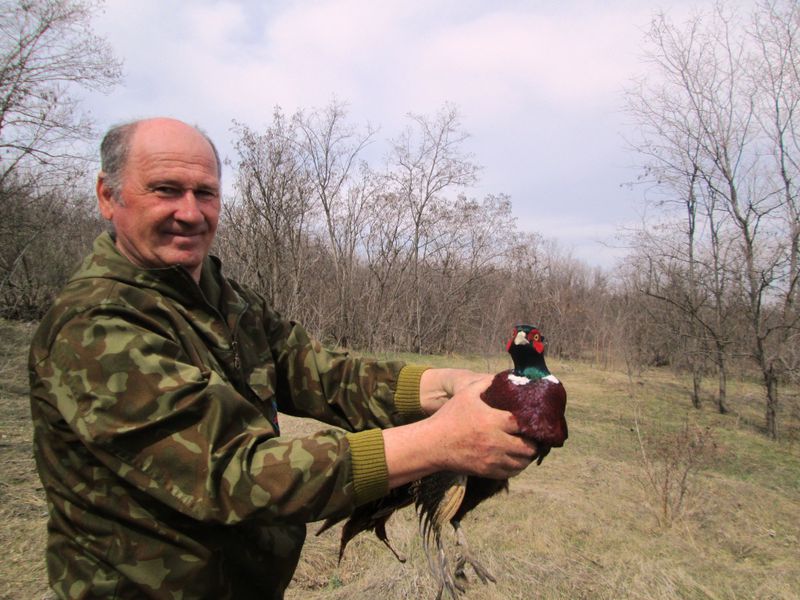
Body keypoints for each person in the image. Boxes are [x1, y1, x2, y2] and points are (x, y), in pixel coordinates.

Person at [29, 117, 537, 599]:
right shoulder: (94, 324)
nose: (190, 211)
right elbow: (231, 473)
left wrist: (441, 383)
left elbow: (320, 372)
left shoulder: (220, 296)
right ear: (107, 197)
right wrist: (438, 442)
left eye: (205, 193)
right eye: (165, 189)